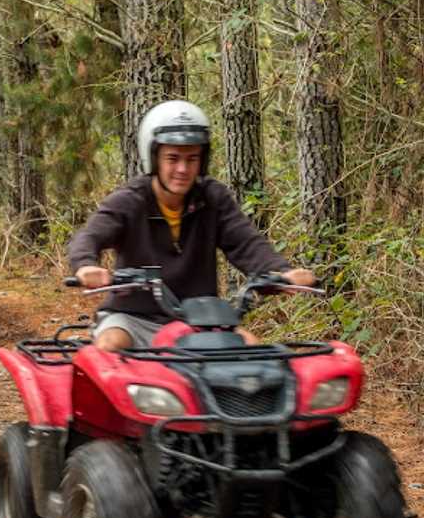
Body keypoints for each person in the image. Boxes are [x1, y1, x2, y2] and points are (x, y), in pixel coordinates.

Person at [68, 100, 316, 352]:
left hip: (199, 320)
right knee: (110, 345)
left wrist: (281, 272)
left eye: (192, 158)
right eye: (172, 158)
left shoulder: (213, 198)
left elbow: (246, 243)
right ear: (154, 158)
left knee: (252, 351)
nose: (183, 169)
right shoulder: (130, 200)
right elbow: (90, 235)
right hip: (133, 318)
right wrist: (86, 265)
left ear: (203, 160)